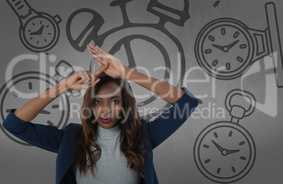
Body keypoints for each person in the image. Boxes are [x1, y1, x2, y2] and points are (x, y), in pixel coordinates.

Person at [2, 43, 201, 184]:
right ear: (89, 104)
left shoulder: (142, 135)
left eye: (114, 101)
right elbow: (14, 125)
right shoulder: (71, 138)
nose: (105, 110)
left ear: (124, 106)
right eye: (98, 102)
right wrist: (63, 86)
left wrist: (126, 72)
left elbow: (186, 102)